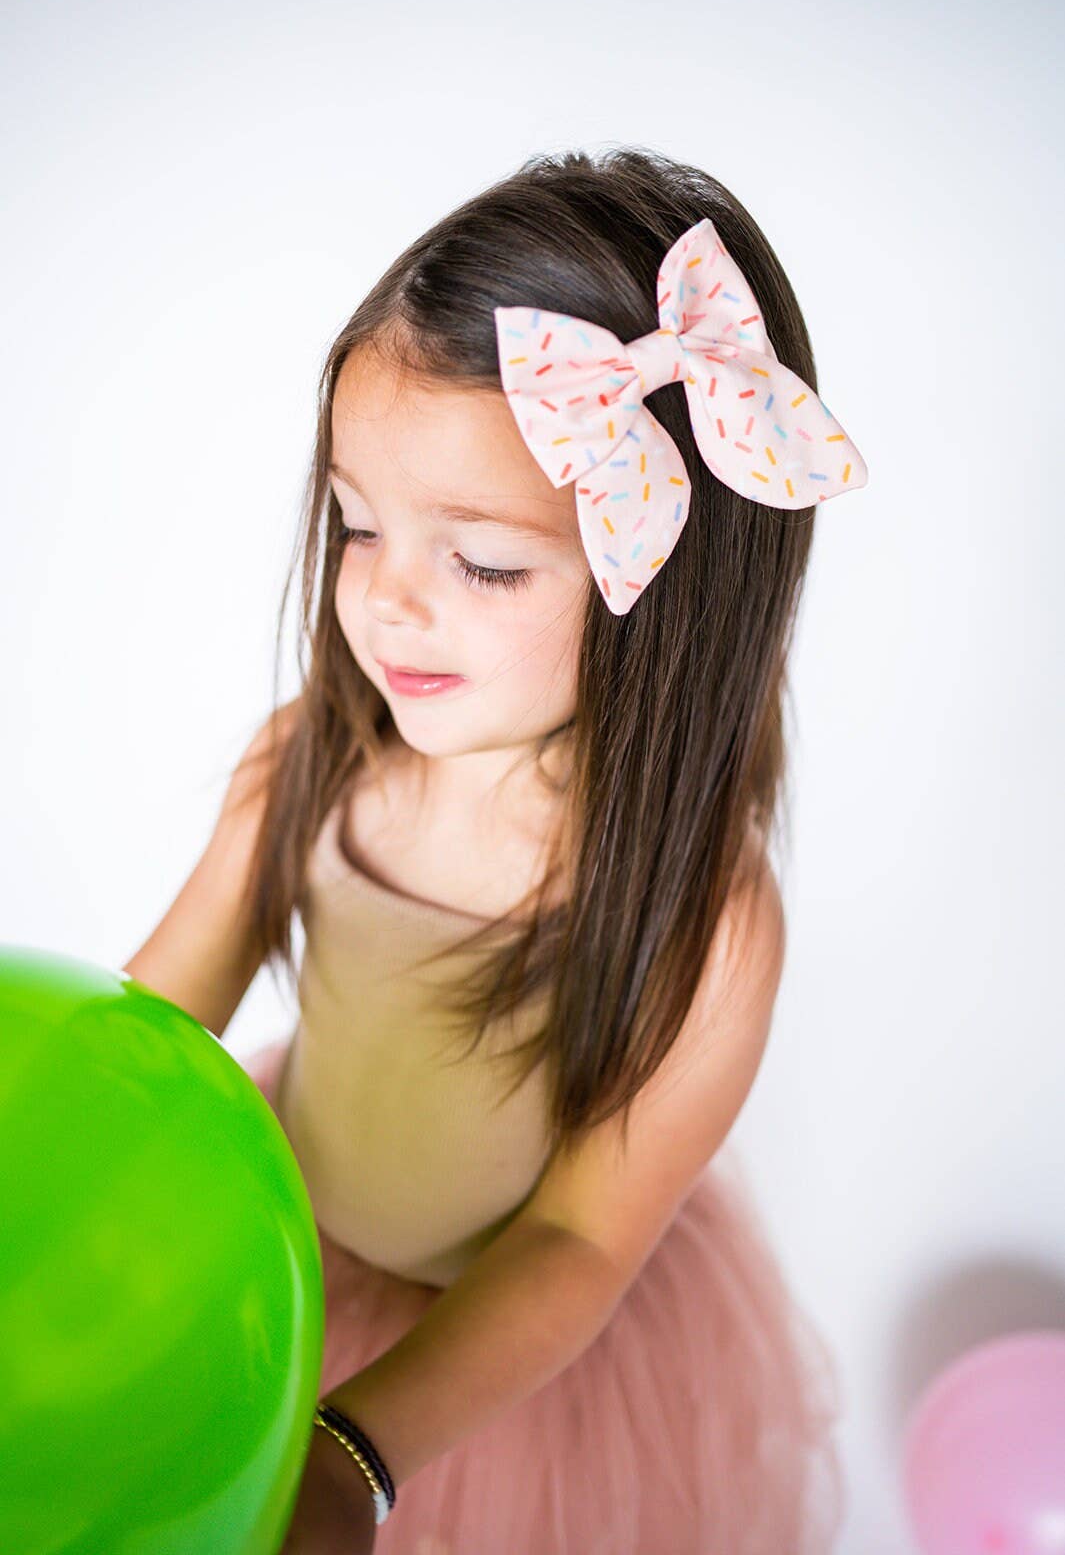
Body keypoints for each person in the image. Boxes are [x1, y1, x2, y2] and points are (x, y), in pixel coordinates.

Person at [122, 145, 867, 1554]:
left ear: (667, 581)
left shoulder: (701, 914)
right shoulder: (310, 765)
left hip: (487, 1373)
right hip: (283, 1275)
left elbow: (576, 1241)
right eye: (355, 524)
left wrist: (357, 1449)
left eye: (483, 562)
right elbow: (151, 1032)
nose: (390, 601)